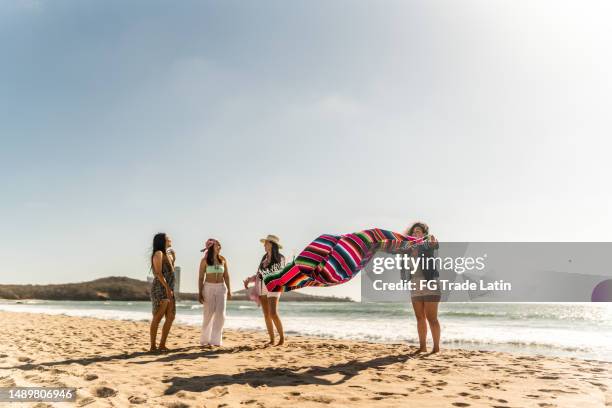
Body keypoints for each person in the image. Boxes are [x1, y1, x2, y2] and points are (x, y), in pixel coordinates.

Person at [244, 234, 286, 346]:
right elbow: (259, 274)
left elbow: (281, 273)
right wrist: (250, 280)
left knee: (273, 313)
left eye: (266, 243)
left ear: (271, 244)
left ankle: (282, 338)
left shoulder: (281, 258)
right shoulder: (264, 257)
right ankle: (272, 340)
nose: (264, 245)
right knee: (266, 314)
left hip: (274, 286)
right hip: (262, 287)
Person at [406, 222, 441, 353]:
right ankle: (422, 347)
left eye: (418, 232)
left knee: (432, 318)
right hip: (415, 284)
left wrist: (429, 237)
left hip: (430, 283)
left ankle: (436, 348)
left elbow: (433, 242)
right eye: (413, 232)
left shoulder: (427, 245)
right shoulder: (408, 248)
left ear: (424, 234)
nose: (415, 234)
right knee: (419, 317)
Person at [198, 238, 231, 347]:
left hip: (221, 288)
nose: (220, 247)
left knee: (221, 315)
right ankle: (205, 339)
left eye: (220, 245)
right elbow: (201, 277)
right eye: (218, 245)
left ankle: (216, 341)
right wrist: (200, 292)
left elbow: (226, 275)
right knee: (208, 314)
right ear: (212, 247)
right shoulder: (204, 261)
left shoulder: (223, 259)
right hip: (208, 287)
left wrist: (229, 290)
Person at [149, 233, 176, 352]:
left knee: (171, 316)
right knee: (158, 317)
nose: (170, 238)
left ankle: (162, 345)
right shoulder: (158, 254)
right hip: (161, 288)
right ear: (162, 240)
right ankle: (153, 346)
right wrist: (167, 288)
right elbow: (159, 274)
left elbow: (171, 271)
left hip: (170, 288)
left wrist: (173, 256)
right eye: (168, 237)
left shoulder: (169, 254)